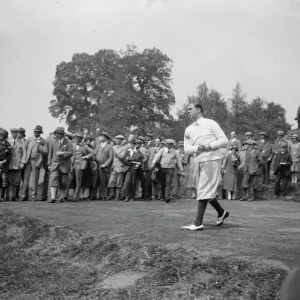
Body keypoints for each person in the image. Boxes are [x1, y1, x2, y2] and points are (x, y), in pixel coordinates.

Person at [181, 103, 229, 231]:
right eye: (187, 109)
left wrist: (210, 146)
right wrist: (198, 148)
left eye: (190, 109)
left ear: (199, 110)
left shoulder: (210, 123)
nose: (188, 111)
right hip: (198, 160)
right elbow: (186, 149)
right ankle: (221, 212)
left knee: (203, 189)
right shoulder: (188, 129)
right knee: (201, 190)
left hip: (212, 158)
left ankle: (198, 223)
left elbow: (224, 140)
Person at [151, 139, 183, 203]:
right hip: (162, 168)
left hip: (170, 168)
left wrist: (181, 168)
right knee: (162, 183)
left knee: (168, 182)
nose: (170, 145)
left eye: (171, 144)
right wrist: (153, 163)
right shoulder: (162, 150)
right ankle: (163, 196)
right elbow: (157, 157)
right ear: (166, 144)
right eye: (168, 144)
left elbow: (178, 160)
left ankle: (167, 197)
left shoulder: (175, 152)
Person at [47, 127, 73, 203]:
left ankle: (62, 197)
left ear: (63, 134)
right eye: (57, 133)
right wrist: (49, 164)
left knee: (63, 182)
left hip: (65, 164)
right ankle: (52, 198)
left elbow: (71, 152)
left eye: (60, 133)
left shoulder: (68, 142)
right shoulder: (52, 141)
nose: (58, 135)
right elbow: (50, 154)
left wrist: (63, 153)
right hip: (54, 164)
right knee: (53, 179)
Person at [21, 125, 47, 201]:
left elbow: (45, 152)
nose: (36, 132)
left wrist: (39, 145)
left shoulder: (43, 141)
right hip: (28, 161)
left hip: (37, 161)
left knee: (35, 179)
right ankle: (24, 195)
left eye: (37, 132)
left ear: (40, 133)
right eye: (35, 131)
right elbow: (24, 150)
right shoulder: (29, 139)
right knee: (26, 178)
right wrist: (23, 161)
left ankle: (33, 195)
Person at [69, 132, 95, 201]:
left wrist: (86, 156)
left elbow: (93, 152)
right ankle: (66, 196)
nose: (77, 139)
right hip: (71, 164)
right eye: (76, 137)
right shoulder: (72, 144)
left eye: (79, 137)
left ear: (81, 139)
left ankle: (75, 196)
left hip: (79, 164)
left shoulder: (85, 146)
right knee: (70, 180)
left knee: (78, 181)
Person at [107, 135, 128, 201]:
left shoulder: (124, 148)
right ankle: (111, 195)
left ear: (121, 140)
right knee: (111, 181)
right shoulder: (113, 147)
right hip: (113, 167)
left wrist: (116, 150)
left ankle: (117, 195)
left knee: (119, 183)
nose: (116, 140)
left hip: (120, 167)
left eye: (117, 139)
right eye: (115, 139)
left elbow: (121, 156)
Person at [123, 138, 144, 202]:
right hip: (129, 168)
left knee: (133, 182)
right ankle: (127, 196)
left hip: (135, 169)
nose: (130, 145)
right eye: (129, 144)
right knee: (127, 182)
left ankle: (132, 196)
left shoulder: (137, 151)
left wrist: (128, 158)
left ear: (134, 145)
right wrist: (130, 162)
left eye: (131, 144)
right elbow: (124, 159)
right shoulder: (128, 151)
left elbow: (138, 158)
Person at [95, 132, 113, 200]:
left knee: (103, 181)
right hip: (97, 165)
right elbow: (94, 154)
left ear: (105, 138)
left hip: (104, 166)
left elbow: (111, 157)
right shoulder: (98, 146)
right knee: (97, 181)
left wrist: (105, 164)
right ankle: (96, 195)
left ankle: (104, 195)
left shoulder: (109, 146)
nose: (100, 137)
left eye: (101, 136)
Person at [8, 128, 25, 201]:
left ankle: (14, 196)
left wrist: (23, 163)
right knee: (9, 181)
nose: (14, 134)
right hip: (9, 163)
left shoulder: (21, 142)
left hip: (18, 164)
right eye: (13, 132)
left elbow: (24, 153)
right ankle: (7, 196)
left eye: (16, 132)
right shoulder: (7, 141)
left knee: (16, 181)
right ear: (11, 133)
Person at [0, 128, 12, 201]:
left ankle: (1, 196)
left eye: (1, 135)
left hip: (4, 165)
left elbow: (9, 155)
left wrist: (4, 161)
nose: (0, 136)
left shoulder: (8, 144)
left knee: (4, 182)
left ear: (4, 136)